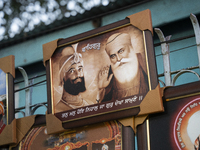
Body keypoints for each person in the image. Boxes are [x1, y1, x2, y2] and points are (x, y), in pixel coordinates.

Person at [98, 32, 149, 102]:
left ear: (131, 48)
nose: (118, 59)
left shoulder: (145, 61)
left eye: (121, 51)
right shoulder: (110, 76)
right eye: (113, 56)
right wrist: (101, 89)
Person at [55, 45, 94, 113]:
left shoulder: (90, 104)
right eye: (72, 71)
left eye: (80, 69)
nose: (78, 74)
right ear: (63, 77)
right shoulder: (58, 111)